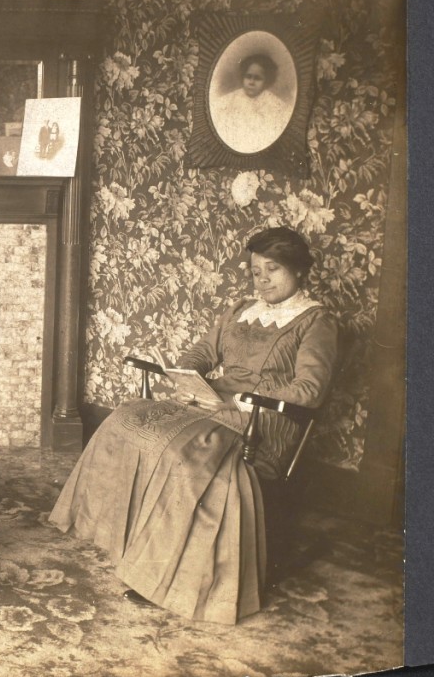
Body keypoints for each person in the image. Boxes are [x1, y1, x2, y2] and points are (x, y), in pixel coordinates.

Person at [49, 227, 338, 624]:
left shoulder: (315, 322)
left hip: (265, 418)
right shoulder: (240, 310)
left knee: (185, 456)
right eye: (256, 271)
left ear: (300, 271)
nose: (263, 279)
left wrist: (239, 400)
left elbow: (310, 390)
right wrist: (186, 375)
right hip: (215, 400)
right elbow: (205, 350)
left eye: (273, 269)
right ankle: (121, 536)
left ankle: (168, 572)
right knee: (128, 419)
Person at [210, 53, 291, 154]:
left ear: (267, 81)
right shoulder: (229, 100)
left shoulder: (276, 105)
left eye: (257, 78)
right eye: (248, 77)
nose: (251, 82)